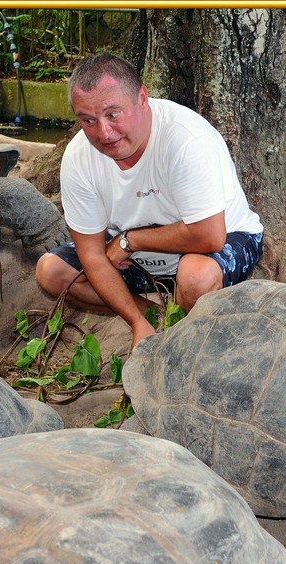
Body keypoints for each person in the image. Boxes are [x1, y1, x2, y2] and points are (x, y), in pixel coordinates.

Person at [35, 52, 264, 352]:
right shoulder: (78, 158)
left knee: (195, 277)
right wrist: (135, 320)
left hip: (215, 243)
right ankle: (152, 316)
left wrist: (130, 241)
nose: (103, 133)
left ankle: (185, 331)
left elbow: (209, 235)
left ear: (142, 98)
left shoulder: (185, 140)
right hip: (139, 261)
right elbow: (91, 256)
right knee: (51, 272)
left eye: (113, 114)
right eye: (88, 120)